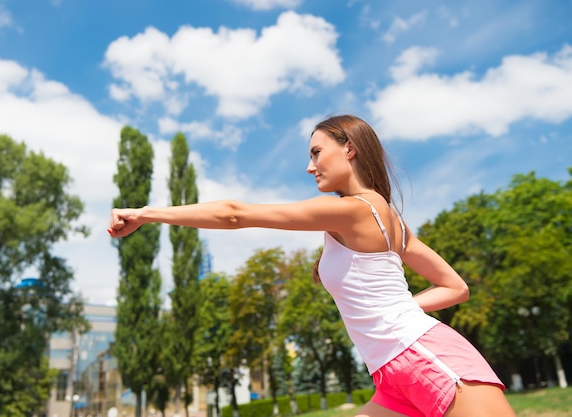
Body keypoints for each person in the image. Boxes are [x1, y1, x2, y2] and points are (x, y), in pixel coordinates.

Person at [108, 114, 516, 417]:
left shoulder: (354, 210)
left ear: (349, 149)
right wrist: (401, 309)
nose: (310, 166)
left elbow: (234, 213)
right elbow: (455, 287)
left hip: (422, 356)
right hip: (391, 376)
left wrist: (147, 213)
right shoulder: (387, 218)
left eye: (316, 152)